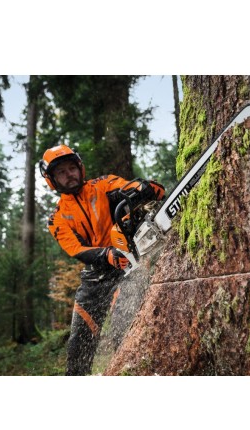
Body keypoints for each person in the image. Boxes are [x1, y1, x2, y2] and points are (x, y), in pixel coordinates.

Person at [39, 144, 164, 376]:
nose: (69, 175)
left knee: (123, 327)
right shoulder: (57, 218)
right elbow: (77, 249)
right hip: (95, 275)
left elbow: (126, 187)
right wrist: (106, 254)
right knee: (78, 345)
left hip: (128, 265)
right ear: (52, 180)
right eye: (61, 172)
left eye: (71, 168)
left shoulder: (103, 185)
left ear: (80, 167)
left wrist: (143, 189)